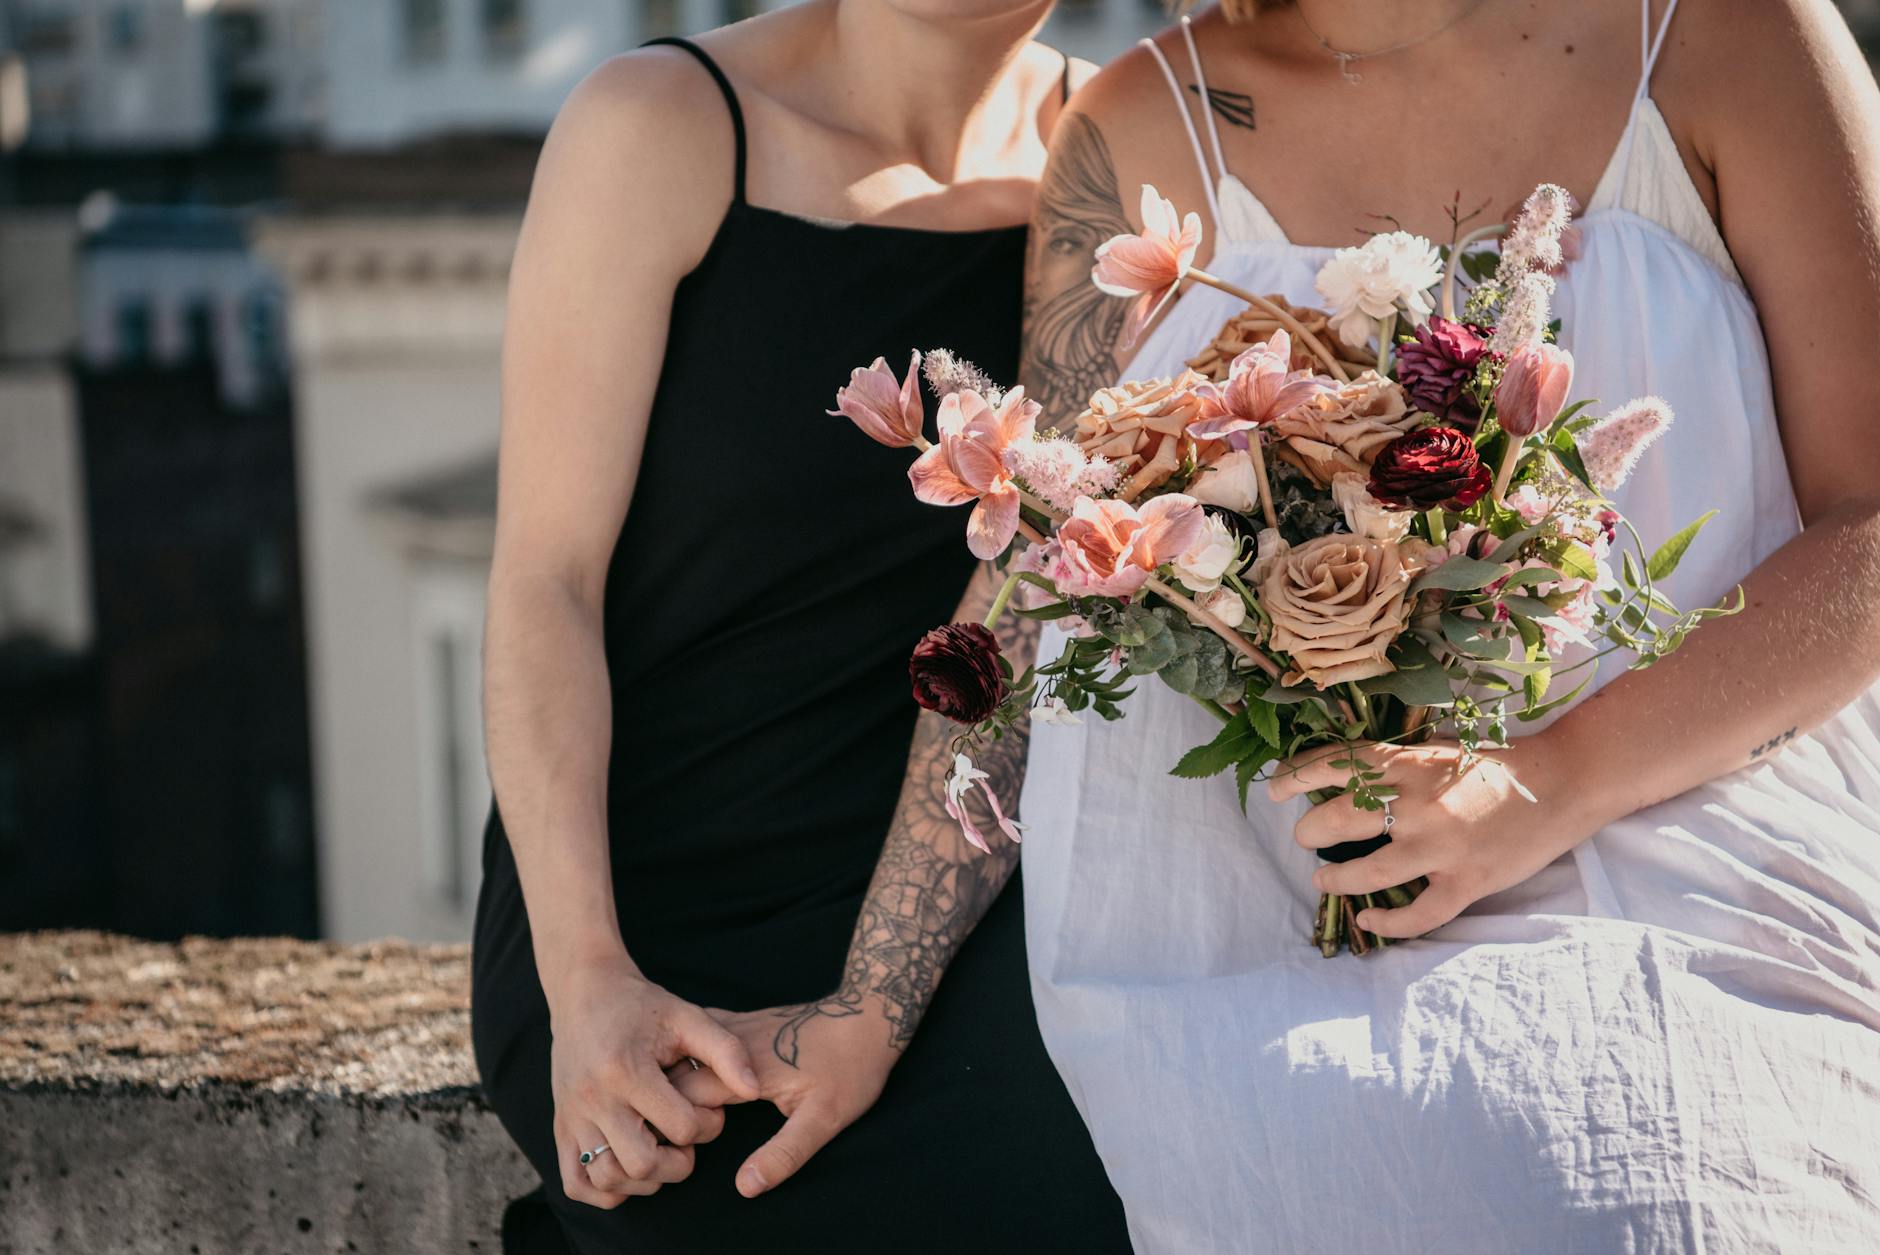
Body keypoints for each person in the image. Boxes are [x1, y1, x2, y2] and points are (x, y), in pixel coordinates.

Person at [1017, 0, 1880, 1249]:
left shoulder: (1722, 33)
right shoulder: (1136, 124)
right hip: (1258, 927)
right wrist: (866, 1003)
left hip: (1702, 862)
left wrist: (1539, 783)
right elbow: (1042, 559)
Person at [470, 3, 1130, 1251]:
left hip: (967, 890)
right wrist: (587, 980)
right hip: (652, 905)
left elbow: (1047, 600)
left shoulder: (1120, 152)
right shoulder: (659, 126)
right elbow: (544, 581)